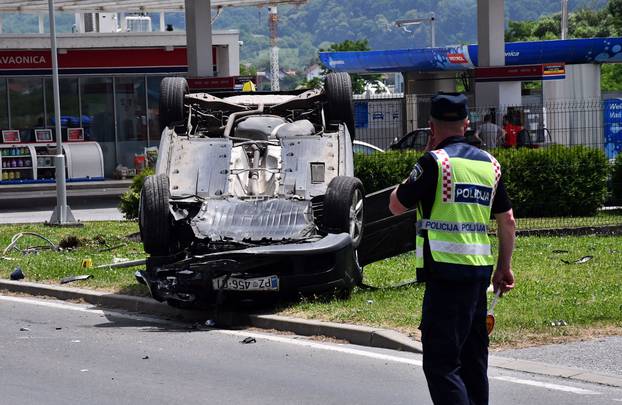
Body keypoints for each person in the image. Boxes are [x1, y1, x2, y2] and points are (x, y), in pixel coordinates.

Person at [388, 92, 516, 405]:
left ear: (431, 125)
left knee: (441, 363)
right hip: (478, 276)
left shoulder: (435, 163)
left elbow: (395, 205)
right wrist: (504, 267)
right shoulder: (491, 166)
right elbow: (508, 221)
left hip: (445, 275)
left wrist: (425, 155)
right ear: (466, 124)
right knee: (474, 362)